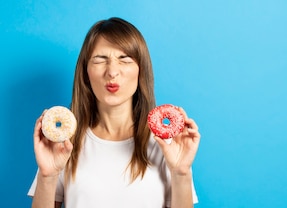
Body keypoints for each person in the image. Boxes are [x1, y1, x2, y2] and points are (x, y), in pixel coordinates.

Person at [27, 17, 200, 208]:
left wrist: (181, 172)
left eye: (124, 59)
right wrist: (47, 175)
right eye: (100, 60)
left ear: (141, 71)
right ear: (86, 72)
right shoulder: (64, 145)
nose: (112, 71)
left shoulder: (166, 146)